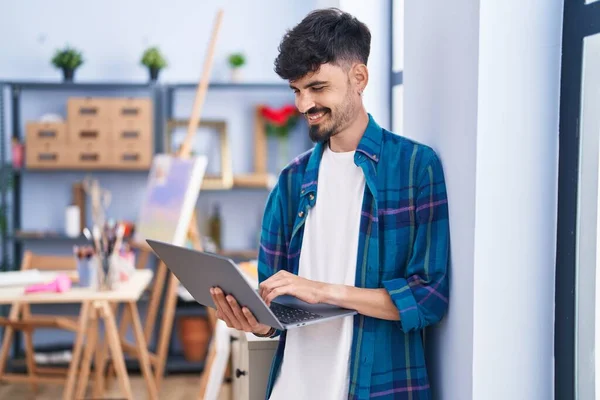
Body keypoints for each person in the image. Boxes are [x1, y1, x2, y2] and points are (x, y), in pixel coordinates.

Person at [209, 7, 450, 400]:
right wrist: (256, 322)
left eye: (317, 88)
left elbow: (428, 300)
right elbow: (276, 311)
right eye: (297, 90)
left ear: (359, 78)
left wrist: (322, 291)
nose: (304, 105)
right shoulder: (290, 182)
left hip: (378, 389)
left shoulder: (414, 169)